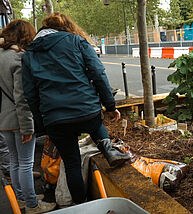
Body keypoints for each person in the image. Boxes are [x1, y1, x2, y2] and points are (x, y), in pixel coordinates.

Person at [22, 13, 130, 204]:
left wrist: (43, 123)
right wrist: (110, 106)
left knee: (71, 164)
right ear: (66, 27)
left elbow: (30, 94)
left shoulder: (29, 53)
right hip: (86, 110)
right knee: (94, 118)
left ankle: (82, 205)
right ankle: (108, 149)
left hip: (55, 118)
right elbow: (97, 73)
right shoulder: (76, 41)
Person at [0, 19, 56, 213]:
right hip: (20, 119)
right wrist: (27, 127)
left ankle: (22, 198)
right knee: (25, 163)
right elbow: (22, 97)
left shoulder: (0, 56)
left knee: (15, 162)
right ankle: (32, 204)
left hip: (4, 120)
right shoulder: (19, 58)